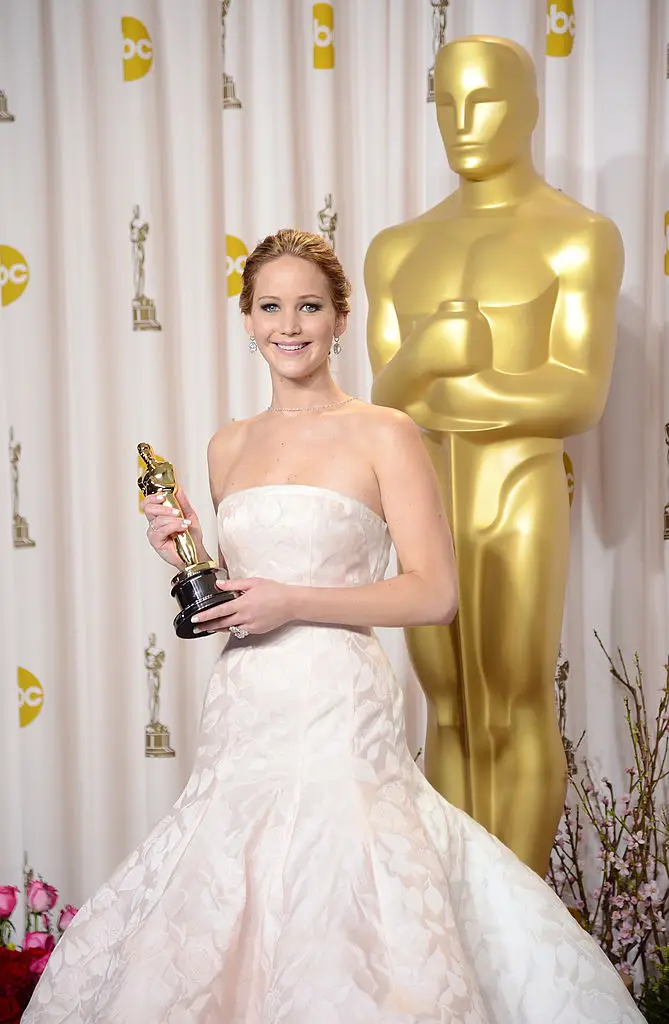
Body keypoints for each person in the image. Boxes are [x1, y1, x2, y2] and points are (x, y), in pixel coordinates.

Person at [23, 230, 644, 1023]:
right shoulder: (227, 446)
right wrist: (182, 553)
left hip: (338, 703)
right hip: (246, 705)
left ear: (339, 318)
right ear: (246, 319)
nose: (290, 324)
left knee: (342, 888)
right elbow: (241, 594)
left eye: (309, 306)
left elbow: (432, 595)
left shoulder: (383, 431)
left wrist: (295, 601)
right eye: (271, 306)